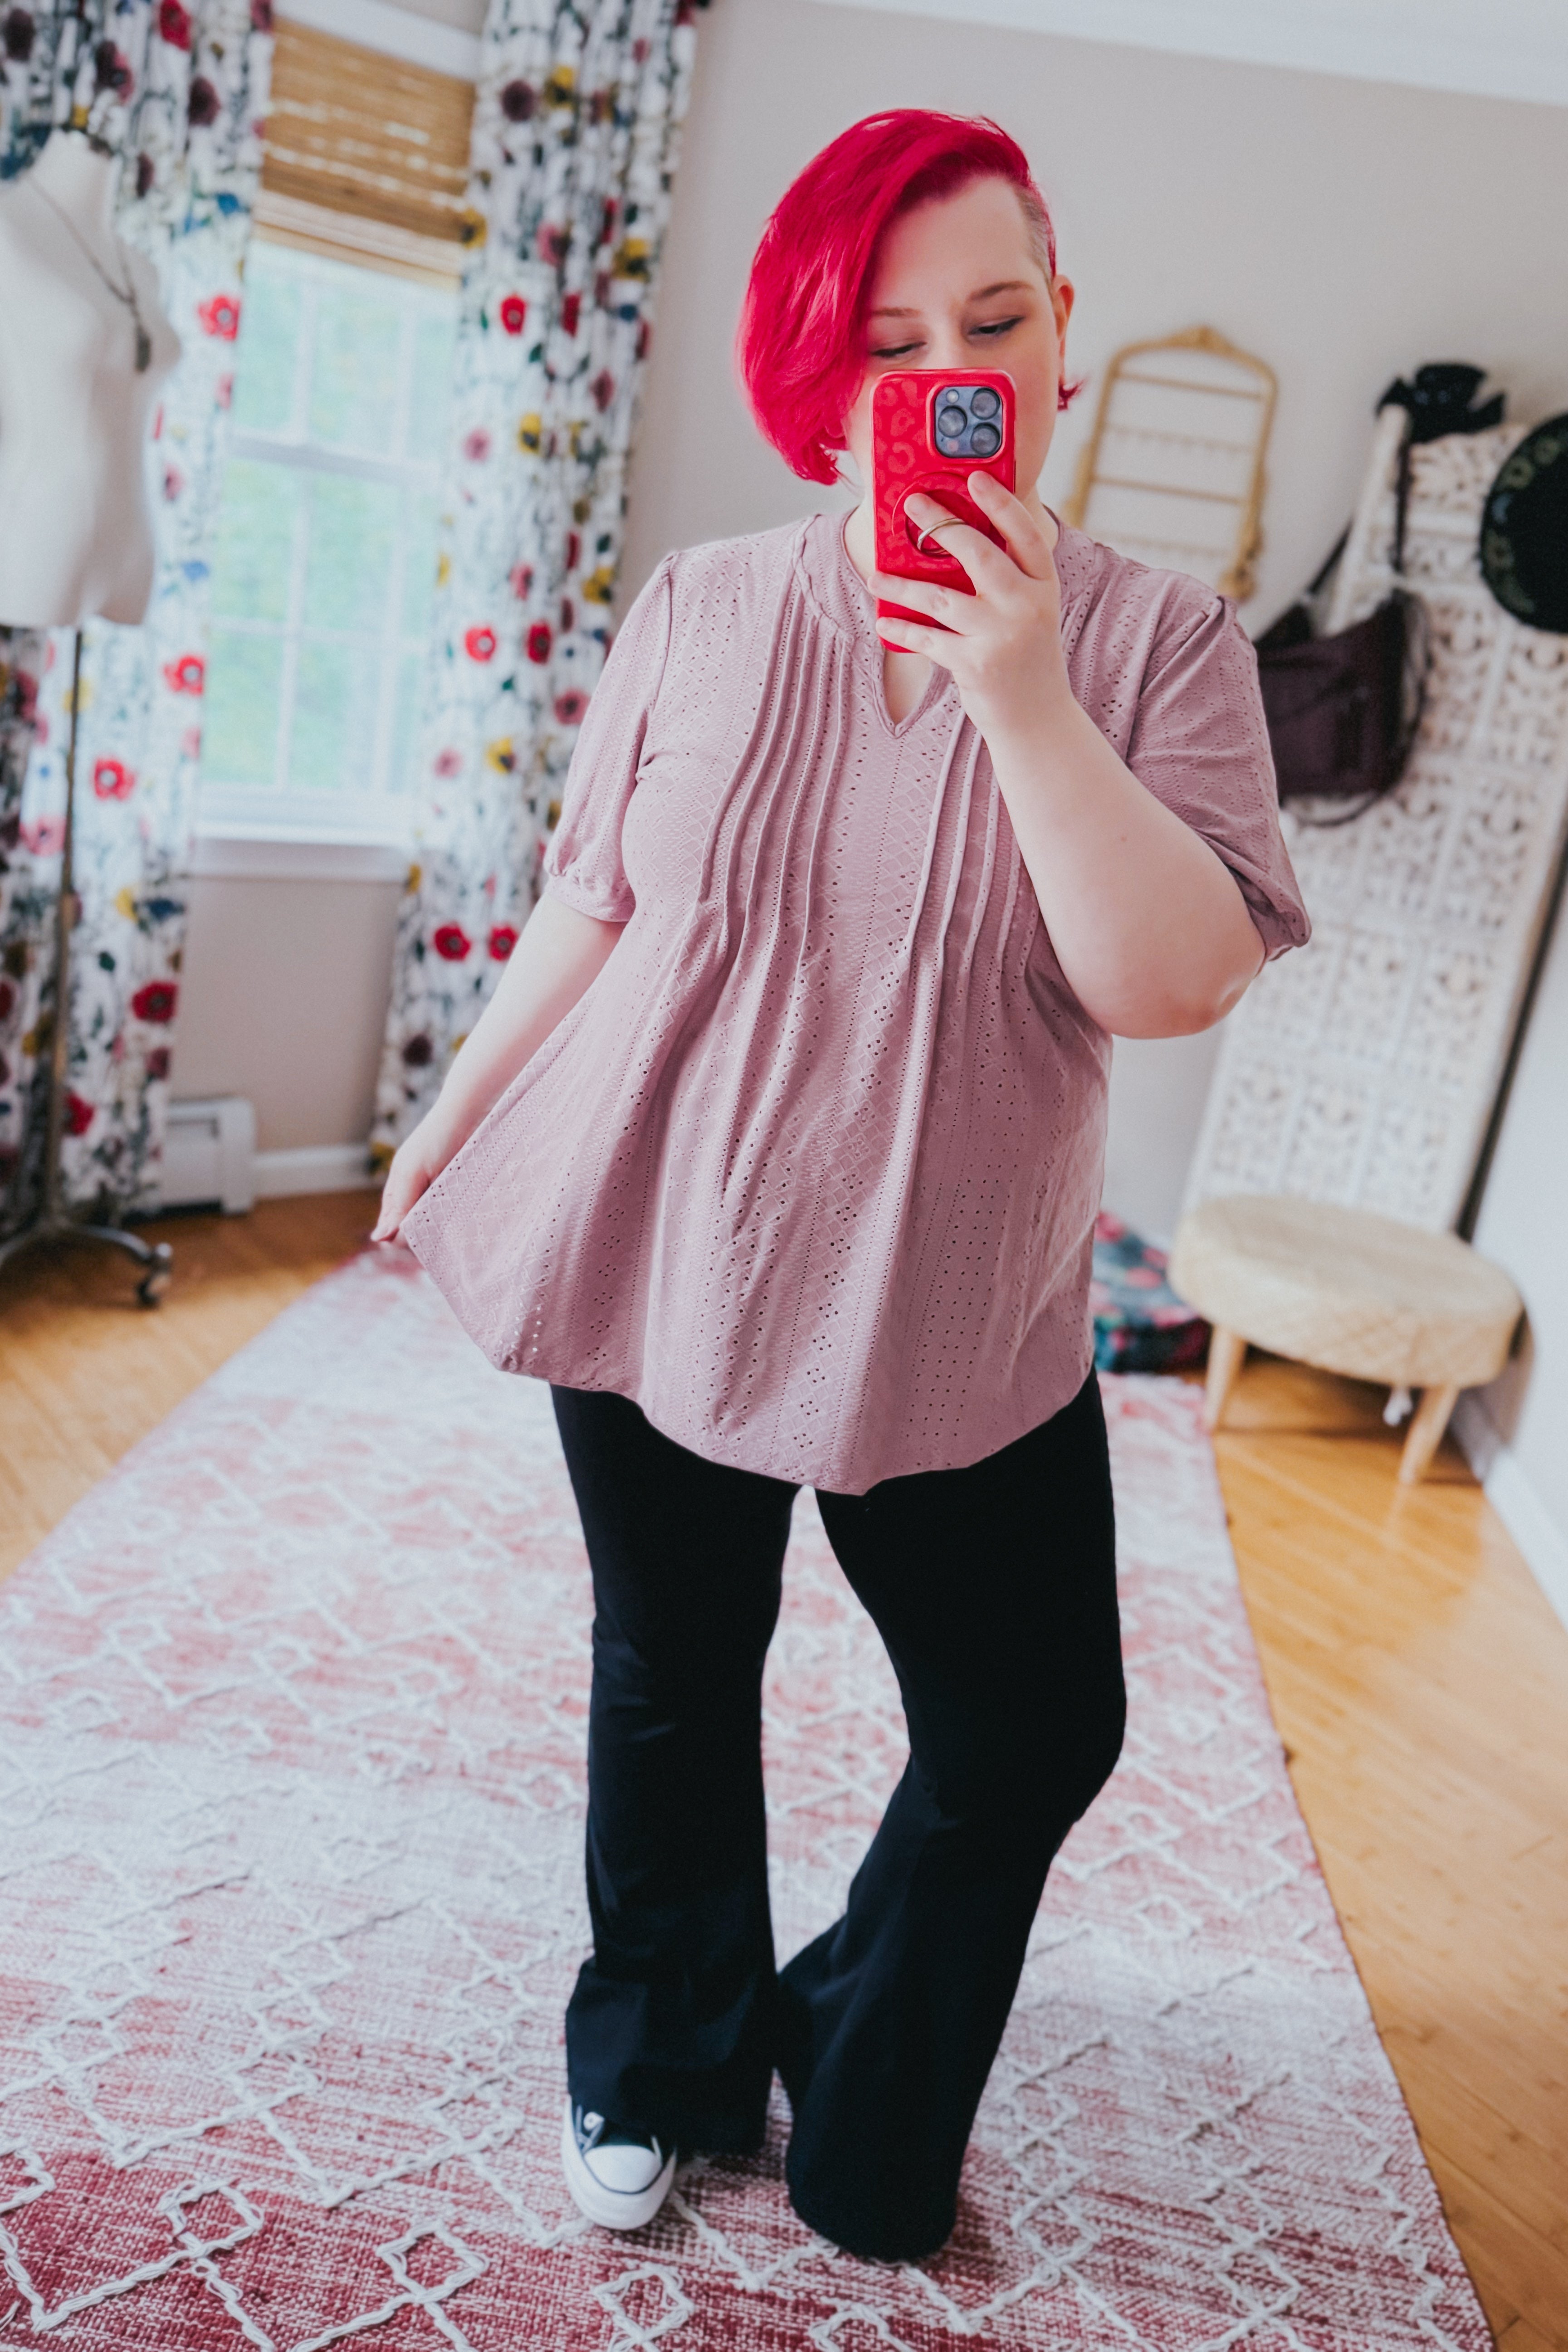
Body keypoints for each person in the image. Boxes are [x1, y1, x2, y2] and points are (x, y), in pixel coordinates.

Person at [373, 110, 1308, 2262]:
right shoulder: (704, 604)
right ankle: (661, 2053)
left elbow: (1168, 980)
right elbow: (595, 901)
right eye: (889, 340)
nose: (946, 369)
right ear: (821, 365)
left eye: (992, 321)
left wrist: (1020, 694)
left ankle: (848, 2038)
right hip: (663, 1241)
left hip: (959, 1302)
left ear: (1062, 337)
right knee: (673, 1675)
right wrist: (454, 1103)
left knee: (1034, 1720)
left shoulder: (1164, 648)